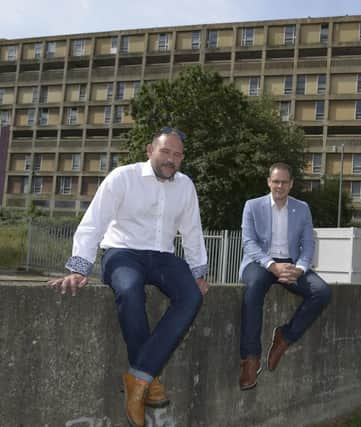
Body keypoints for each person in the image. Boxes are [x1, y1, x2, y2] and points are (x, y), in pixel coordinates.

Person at [48, 128, 208, 427]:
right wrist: (79, 267)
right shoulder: (123, 177)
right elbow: (94, 222)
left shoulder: (185, 186)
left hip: (162, 256)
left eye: (177, 154)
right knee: (130, 289)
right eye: (165, 152)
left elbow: (192, 231)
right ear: (150, 150)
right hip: (122, 252)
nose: (171, 159)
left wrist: (198, 272)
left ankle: (139, 378)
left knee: (191, 295)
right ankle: (149, 379)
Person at [238, 162, 331, 390]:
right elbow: (248, 243)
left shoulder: (302, 208)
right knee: (254, 288)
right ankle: (250, 359)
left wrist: (299, 268)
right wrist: (271, 265)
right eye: (275, 181)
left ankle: (284, 338)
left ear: (291, 184)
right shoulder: (252, 206)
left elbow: (308, 243)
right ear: (269, 182)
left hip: (291, 264)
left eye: (284, 182)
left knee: (322, 292)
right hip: (260, 262)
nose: (279, 186)